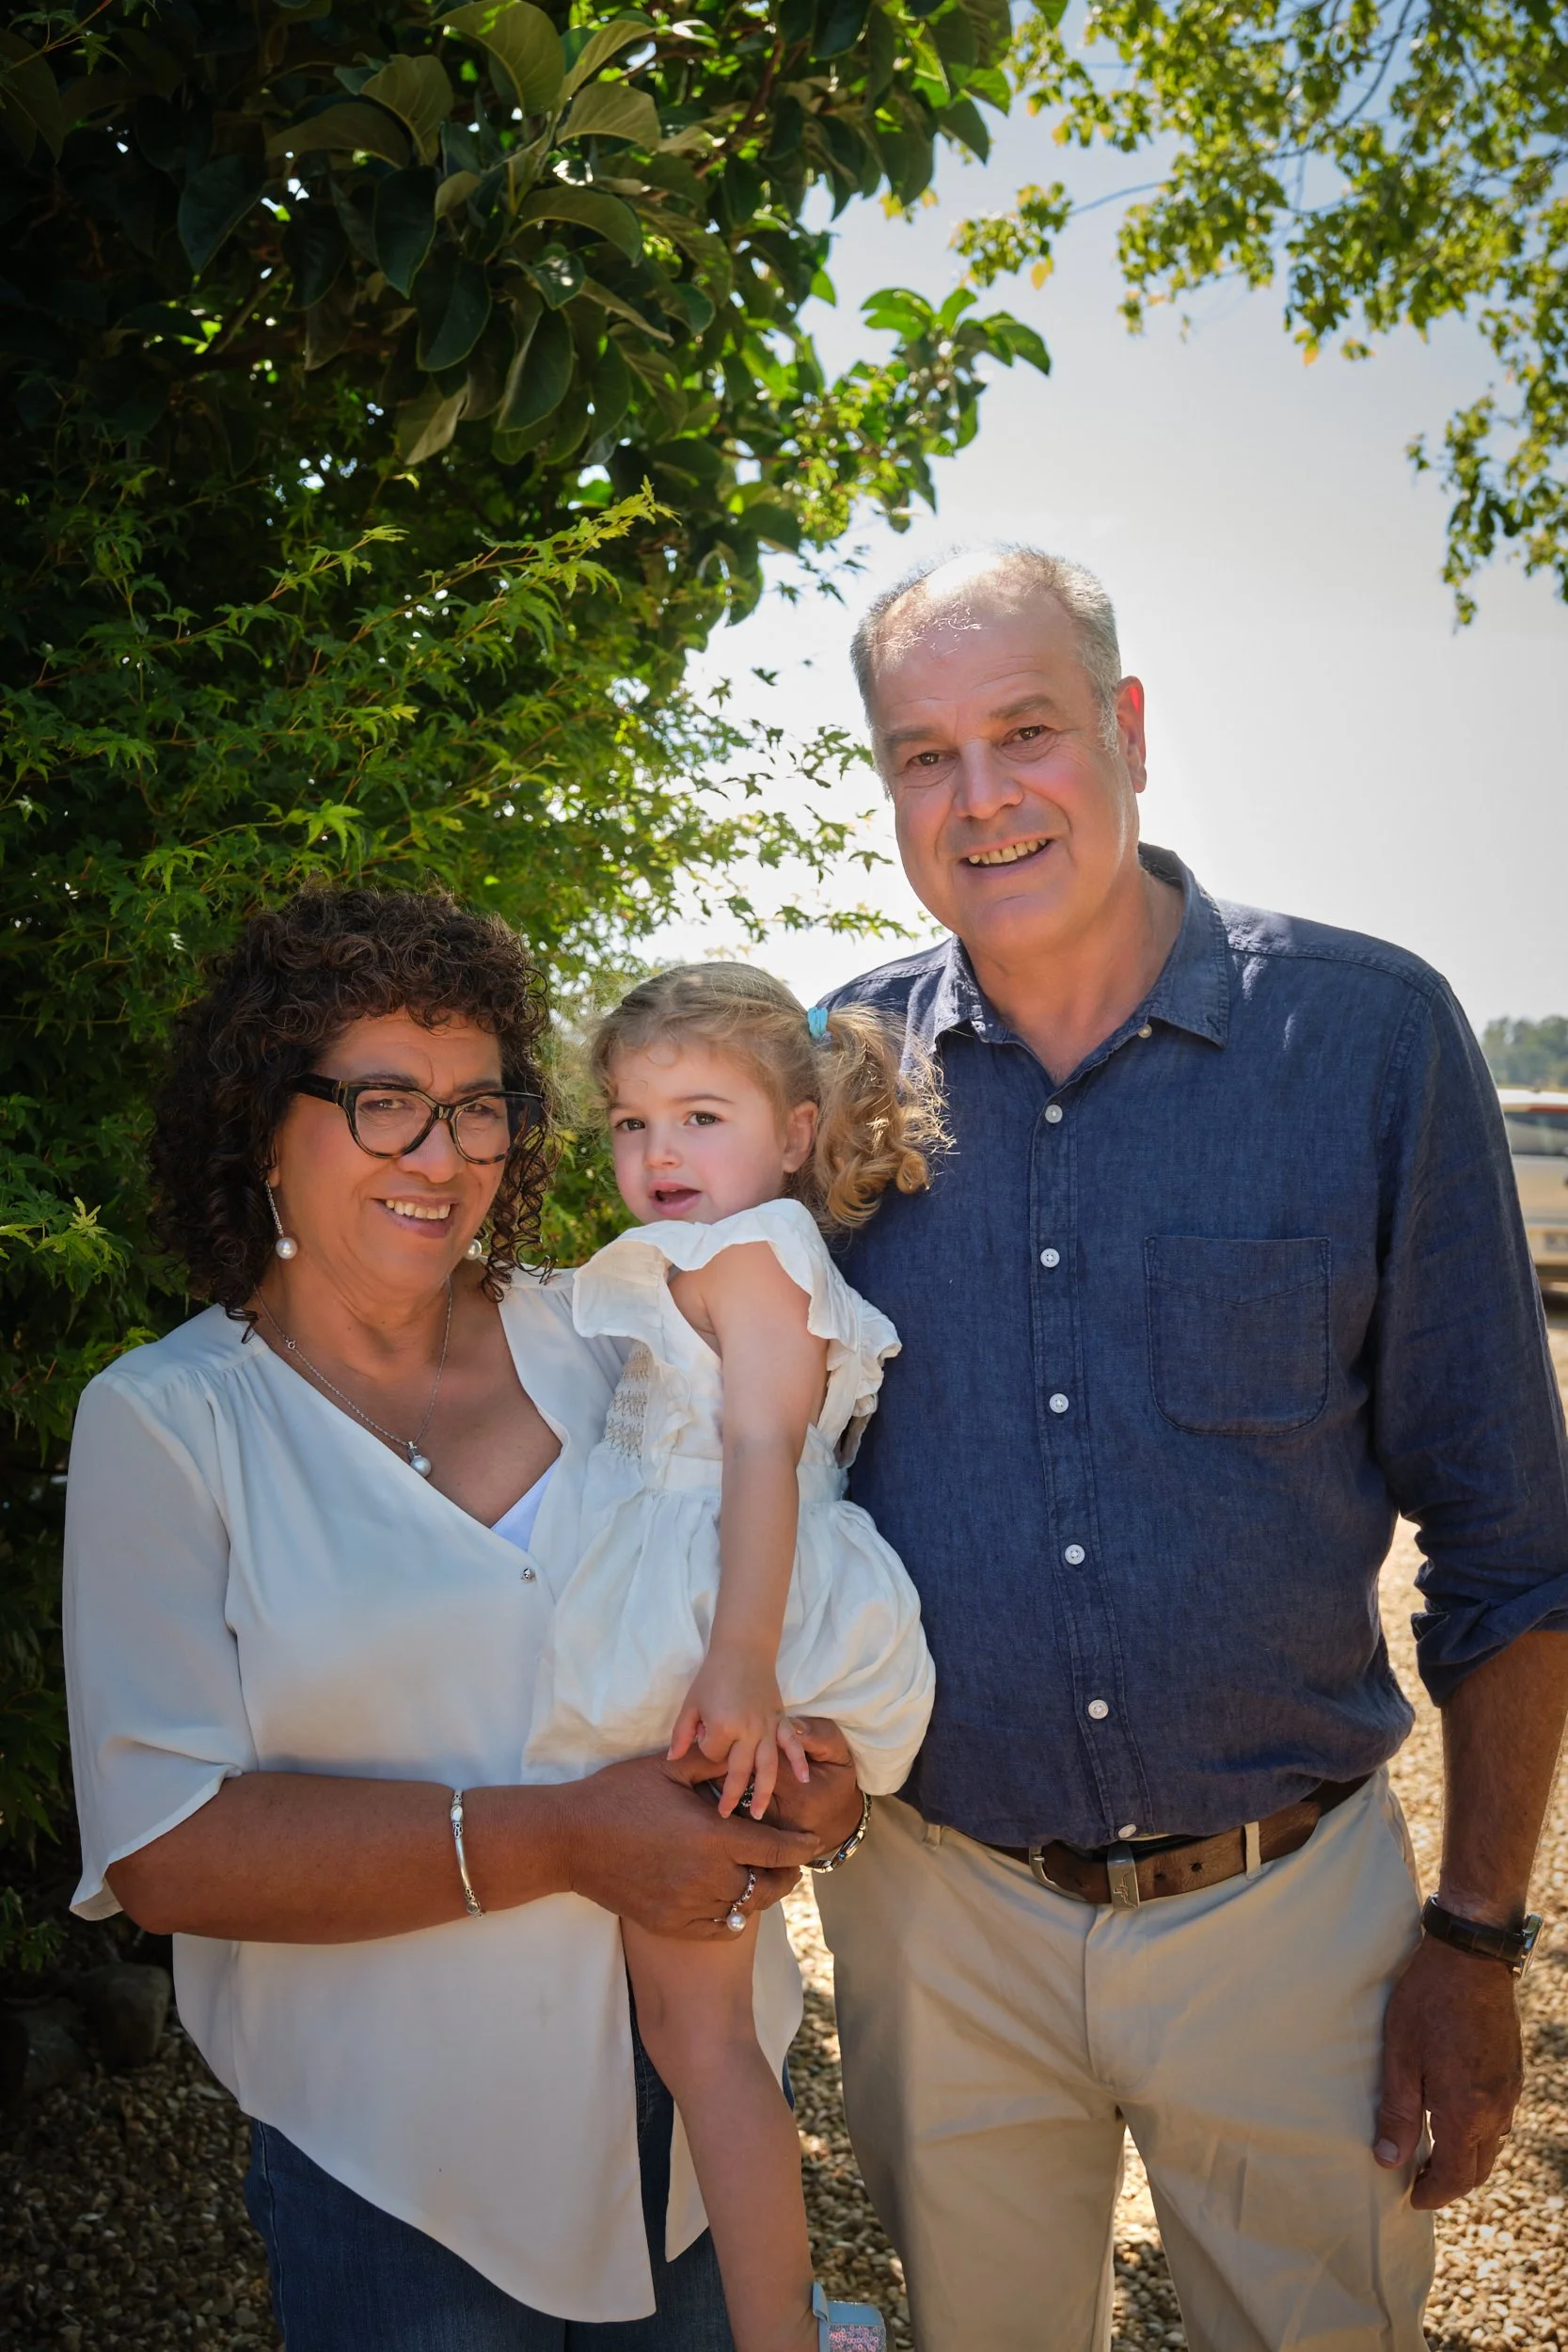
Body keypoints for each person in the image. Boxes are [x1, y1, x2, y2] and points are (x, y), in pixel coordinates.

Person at [813, 548, 1568, 2350]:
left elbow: (1508, 1543)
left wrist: (1475, 1944)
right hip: (939, 1917)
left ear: (1128, 732)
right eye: (924, 755)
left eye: (1025, 732)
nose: (979, 797)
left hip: (1288, 1919)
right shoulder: (838, 1078)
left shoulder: (1367, 1043)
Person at [62, 887, 865, 2351]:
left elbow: (792, 1549)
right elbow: (164, 1848)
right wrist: (563, 1838)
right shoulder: (170, 1423)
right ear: (261, 1123)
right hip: (394, 2165)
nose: (441, 1157)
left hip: (694, 2116)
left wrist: (821, 1791)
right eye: (383, 1103)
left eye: (477, 1107)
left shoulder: (616, 1329)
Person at [527, 962, 939, 2352]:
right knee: (692, 2032)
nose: (658, 1156)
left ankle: (779, 2331)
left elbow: (763, 1449)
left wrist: (741, 1665)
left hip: (714, 1625)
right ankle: (779, 2318)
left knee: (700, 2044)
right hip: (711, 1613)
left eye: (699, 1117)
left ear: (795, 1133)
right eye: (633, 1125)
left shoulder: (755, 1255)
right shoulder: (735, 1255)